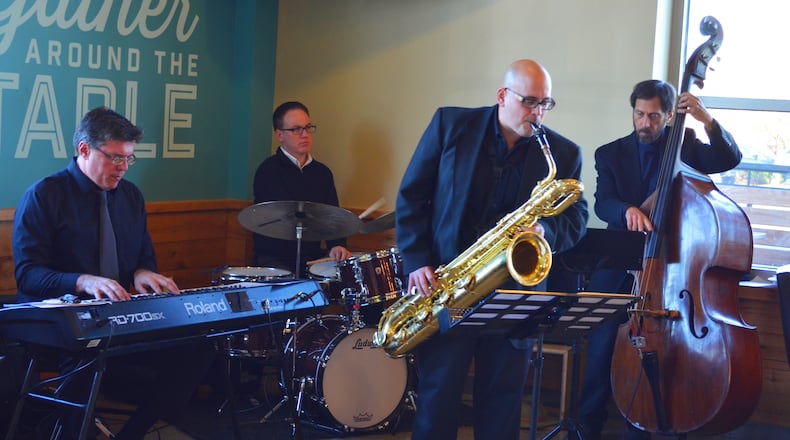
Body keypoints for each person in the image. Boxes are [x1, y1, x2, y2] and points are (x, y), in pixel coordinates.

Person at [396, 59, 588, 439]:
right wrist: (417, 262)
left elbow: (577, 217)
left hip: (516, 295)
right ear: (502, 96)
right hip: (449, 287)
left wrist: (545, 229)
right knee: (438, 400)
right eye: (530, 101)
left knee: (502, 406)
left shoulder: (563, 153)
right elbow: (412, 197)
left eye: (545, 103)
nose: (537, 113)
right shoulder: (450, 126)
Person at [12, 106, 216, 439]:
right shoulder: (44, 196)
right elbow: (29, 275)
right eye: (115, 158)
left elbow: (143, 258)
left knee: (199, 349)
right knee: (86, 363)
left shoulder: (131, 197)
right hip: (61, 325)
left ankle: (133, 432)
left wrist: (142, 274)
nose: (123, 169)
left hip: (120, 318)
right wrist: (83, 280)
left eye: (128, 159)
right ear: (83, 150)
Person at [579, 79, 742, 439]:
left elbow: (731, 159)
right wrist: (627, 211)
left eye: (654, 116)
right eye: (640, 114)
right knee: (602, 347)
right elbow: (604, 201)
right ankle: (585, 429)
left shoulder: (684, 145)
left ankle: (649, 424)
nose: (645, 123)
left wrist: (706, 119)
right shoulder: (609, 154)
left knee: (661, 351)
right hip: (620, 265)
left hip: (670, 272)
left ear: (669, 115)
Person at [252, 101, 353, 276]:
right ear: (280, 135)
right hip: (275, 259)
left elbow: (332, 216)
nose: (305, 135)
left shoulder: (322, 173)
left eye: (308, 128)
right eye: (296, 129)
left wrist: (337, 245)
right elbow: (270, 224)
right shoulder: (268, 171)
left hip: (312, 256)